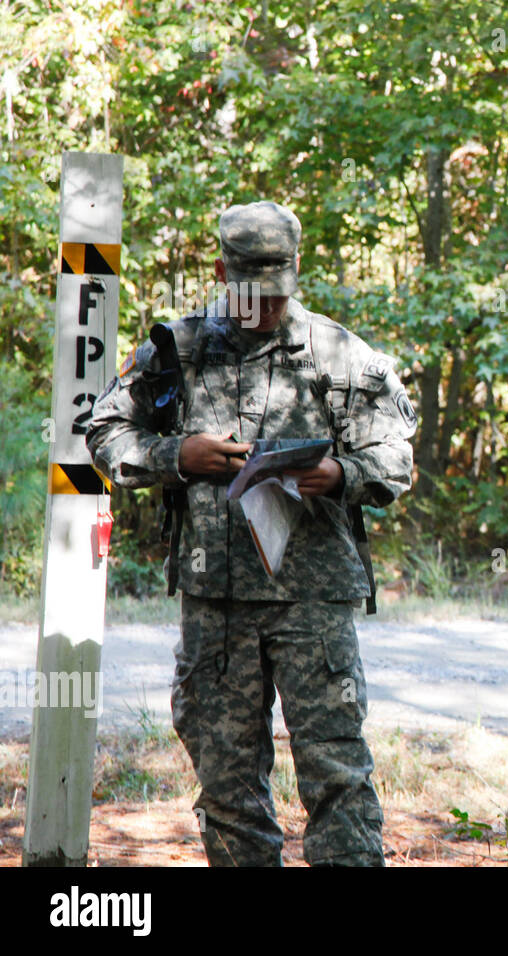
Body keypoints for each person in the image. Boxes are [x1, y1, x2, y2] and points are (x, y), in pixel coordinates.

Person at [86, 201, 417, 865]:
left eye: (277, 296)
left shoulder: (341, 354)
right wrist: (180, 456)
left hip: (312, 603)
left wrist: (341, 471)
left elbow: (396, 459)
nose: (264, 309)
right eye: (250, 295)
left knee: (338, 778)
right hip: (218, 606)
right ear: (220, 273)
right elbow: (105, 432)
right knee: (227, 780)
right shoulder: (174, 352)